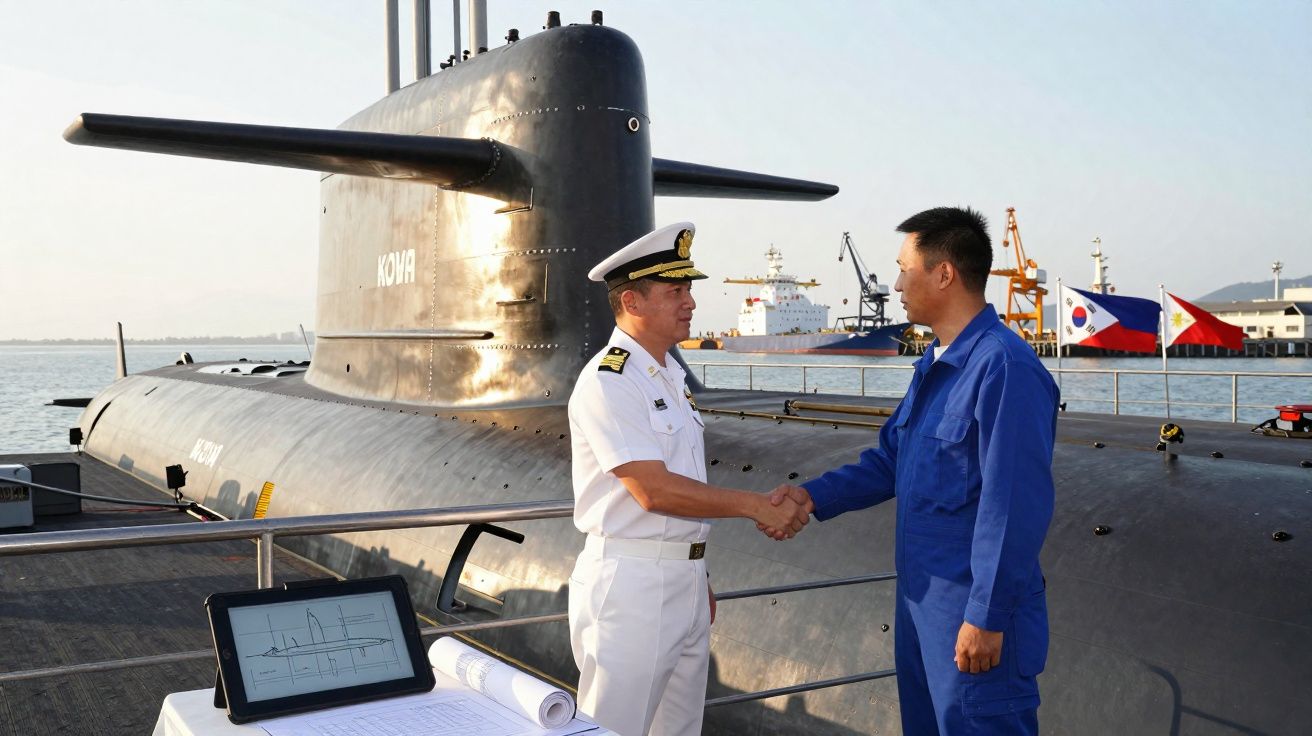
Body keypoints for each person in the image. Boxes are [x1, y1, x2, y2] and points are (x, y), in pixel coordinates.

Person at [765, 206, 1058, 735]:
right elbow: (891, 460)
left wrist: (987, 617)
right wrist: (811, 497)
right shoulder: (936, 363)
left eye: (905, 268)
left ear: (944, 273)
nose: (896, 283)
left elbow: (1012, 506)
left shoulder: (1003, 368)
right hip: (922, 609)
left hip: (972, 613)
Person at [568, 221, 812, 736]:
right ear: (632, 302)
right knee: (612, 730)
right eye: (676, 292)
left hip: (682, 582)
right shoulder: (609, 381)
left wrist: (695, 572)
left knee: (677, 730)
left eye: (689, 290)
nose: (691, 303)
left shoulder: (668, 376)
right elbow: (651, 490)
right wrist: (754, 505)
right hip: (632, 586)